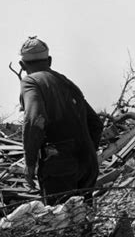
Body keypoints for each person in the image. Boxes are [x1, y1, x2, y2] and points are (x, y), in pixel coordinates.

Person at [18, 36, 103, 204]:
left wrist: (29, 164)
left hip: (60, 167)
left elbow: (34, 120)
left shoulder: (31, 82)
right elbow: (96, 124)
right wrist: (86, 154)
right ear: (49, 60)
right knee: (83, 220)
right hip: (88, 164)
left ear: (22, 65)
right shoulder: (67, 83)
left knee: (60, 223)